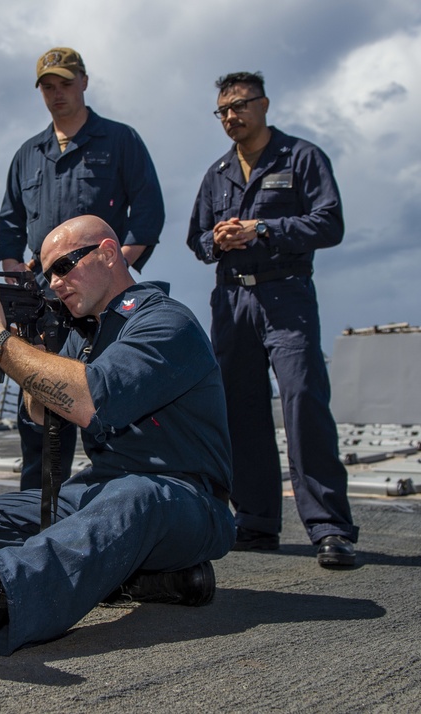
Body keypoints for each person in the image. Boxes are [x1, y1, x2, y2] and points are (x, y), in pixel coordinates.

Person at [0, 215, 235, 660]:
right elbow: (43, 410)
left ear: (108, 254)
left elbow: (90, 401)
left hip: (186, 498)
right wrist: (28, 348)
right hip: (103, 488)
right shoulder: (86, 333)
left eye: (64, 266)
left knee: (133, 501)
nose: (53, 283)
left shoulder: (165, 322)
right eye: (47, 273)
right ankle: (143, 578)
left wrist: (2, 343)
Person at [186, 71, 357, 568]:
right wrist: (215, 241)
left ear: (263, 104)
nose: (231, 117)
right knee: (242, 411)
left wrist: (262, 229)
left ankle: (329, 528)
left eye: (239, 106)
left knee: (303, 403)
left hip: (287, 297)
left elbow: (330, 223)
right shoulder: (217, 172)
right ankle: (257, 522)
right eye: (222, 110)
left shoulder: (301, 157)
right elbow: (195, 240)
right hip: (232, 302)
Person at [0, 47, 165, 490]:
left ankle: (111, 505)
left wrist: (106, 272)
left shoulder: (121, 141)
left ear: (84, 82)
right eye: (48, 86)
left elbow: (148, 215)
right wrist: (20, 276)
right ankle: (36, 516)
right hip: (43, 304)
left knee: (103, 408)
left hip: (100, 306)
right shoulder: (28, 154)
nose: (57, 93)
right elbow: (9, 226)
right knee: (37, 413)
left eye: (65, 83)